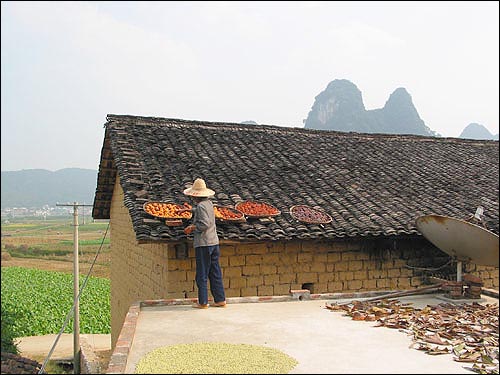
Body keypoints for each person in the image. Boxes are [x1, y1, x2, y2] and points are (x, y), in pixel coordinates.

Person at [179, 178, 226, 309]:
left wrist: (192, 228)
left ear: (195, 196)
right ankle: (220, 299)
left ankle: (203, 302)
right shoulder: (209, 204)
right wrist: (189, 211)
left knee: (202, 273)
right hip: (214, 243)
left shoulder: (200, 206)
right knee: (214, 271)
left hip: (204, 244)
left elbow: (204, 224)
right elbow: (204, 214)